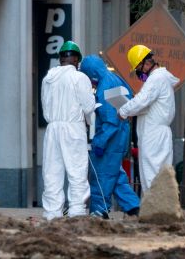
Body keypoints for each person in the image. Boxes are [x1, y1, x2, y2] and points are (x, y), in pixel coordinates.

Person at [41, 40, 97, 219]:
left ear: (61, 59)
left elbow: (44, 105)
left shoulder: (48, 79)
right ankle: (76, 211)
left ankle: (52, 213)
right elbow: (88, 107)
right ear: (76, 60)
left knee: (52, 173)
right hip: (73, 128)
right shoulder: (80, 78)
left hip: (52, 128)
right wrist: (88, 122)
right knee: (77, 170)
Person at [79, 55, 140, 218]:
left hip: (111, 138)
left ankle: (100, 210)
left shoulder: (104, 86)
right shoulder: (114, 78)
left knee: (102, 174)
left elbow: (110, 121)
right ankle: (134, 206)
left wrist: (99, 142)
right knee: (115, 174)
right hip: (120, 135)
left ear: (91, 73)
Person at [118, 44, 179, 191]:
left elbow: (141, 101)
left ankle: (154, 211)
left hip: (153, 135)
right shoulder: (162, 78)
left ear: (145, 63)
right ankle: (162, 210)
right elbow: (146, 104)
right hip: (158, 133)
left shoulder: (155, 79)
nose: (139, 73)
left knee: (151, 175)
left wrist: (123, 111)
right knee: (160, 175)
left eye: (138, 69)